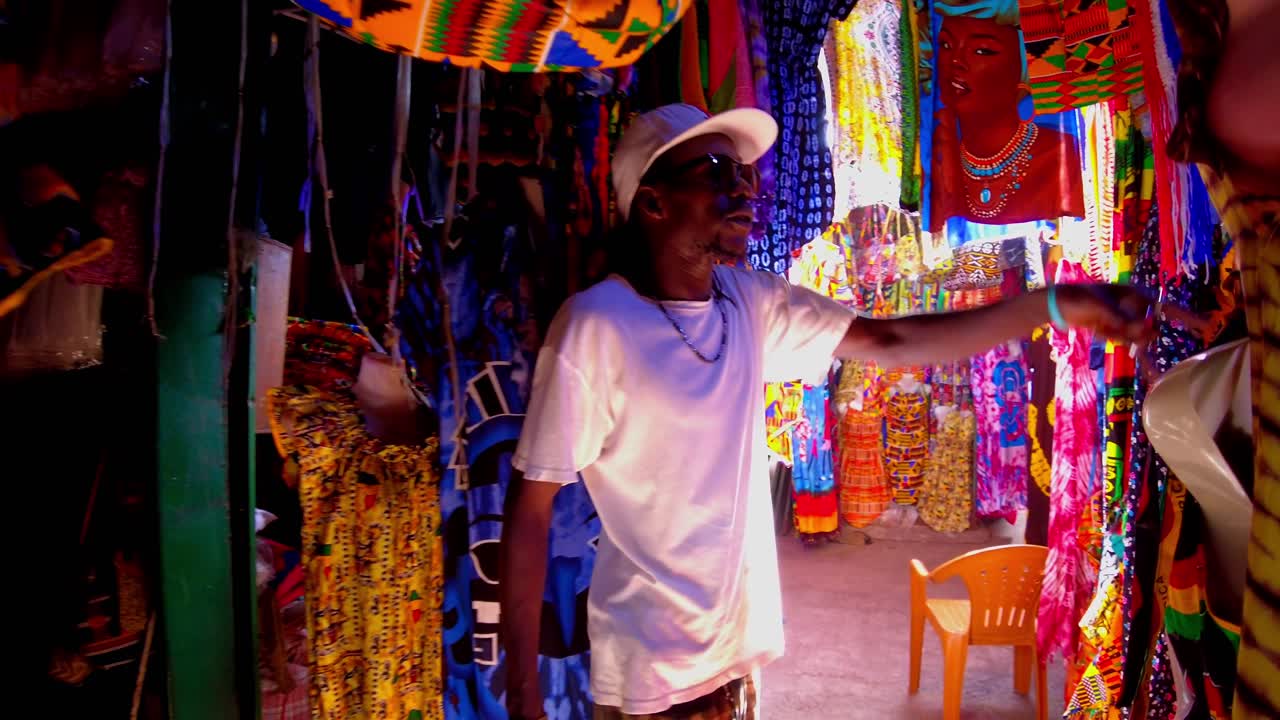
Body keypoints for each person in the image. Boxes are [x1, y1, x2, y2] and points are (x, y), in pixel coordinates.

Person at [500, 103, 1156, 720]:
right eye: (717, 172)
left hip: (739, 655)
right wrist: (524, 694)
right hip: (654, 672)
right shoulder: (598, 327)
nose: (744, 189)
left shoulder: (746, 301)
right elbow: (532, 510)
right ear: (653, 202)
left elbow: (890, 341)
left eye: (744, 173)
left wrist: (1054, 305)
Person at [928, 0, 1084, 231]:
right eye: (946, 45)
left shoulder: (1063, 157)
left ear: (1022, 70)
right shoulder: (938, 158)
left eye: (982, 50)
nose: (955, 61)